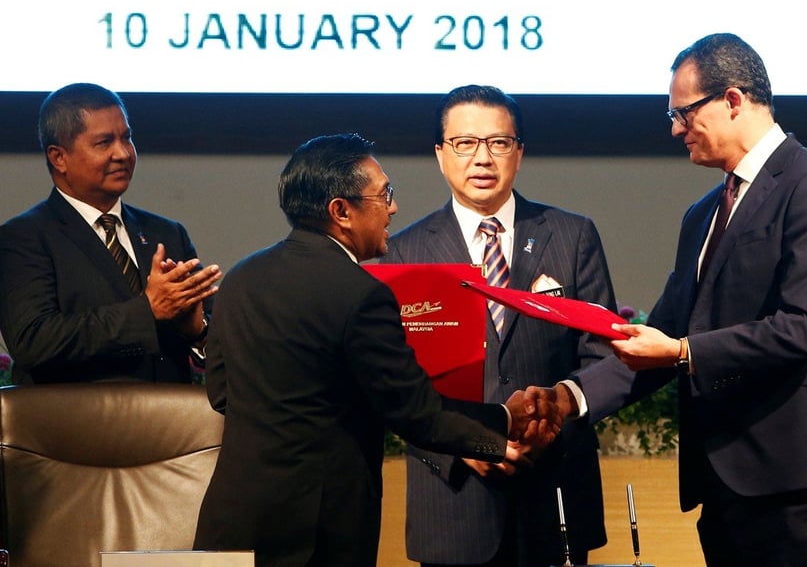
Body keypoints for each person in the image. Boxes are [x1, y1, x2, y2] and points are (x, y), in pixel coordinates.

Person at [532, 33, 807, 566]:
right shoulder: (703, 213)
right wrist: (569, 397)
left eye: (684, 113)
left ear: (733, 100)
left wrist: (685, 351)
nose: (675, 129)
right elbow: (660, 333)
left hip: (792, 482)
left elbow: (803, 327)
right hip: (721, 481)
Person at [191, 133, 560, 567]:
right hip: (315, 534)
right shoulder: (360, 295)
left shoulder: (241, 277)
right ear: (340, 211)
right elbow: (416, 414)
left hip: (233, 523)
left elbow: (221, 394)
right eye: (384, 194)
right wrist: (506, 418)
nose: (394, 208)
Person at [381, 84, 616, 566]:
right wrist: (459, 441)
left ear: (519, 153)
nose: (482, 158)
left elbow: (604, 354)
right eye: (465, 143)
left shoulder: (572, 237)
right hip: (453, 500)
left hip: (554, 493)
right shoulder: (404, 254)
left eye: (498, 142)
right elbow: (393, 382)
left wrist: (554, 416)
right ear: (440, 155)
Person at [0, 82, 219, 384]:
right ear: (59, 157)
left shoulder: (167, 233)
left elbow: (213, 338)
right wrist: (146, 312)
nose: (123, 153)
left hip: (170, 425)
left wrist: (197, 329)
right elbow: (34, 341)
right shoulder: (22, 239)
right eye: (104, 142)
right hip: (78, 426)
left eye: (127, 138)